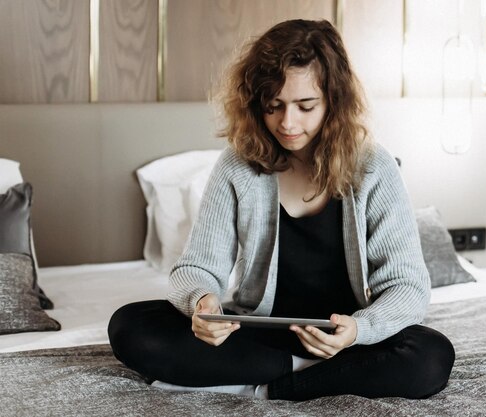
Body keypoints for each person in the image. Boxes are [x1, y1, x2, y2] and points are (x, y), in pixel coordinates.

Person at [108, 19, 454, 401]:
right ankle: (310, 377)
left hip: (347, 338)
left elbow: (407, 287)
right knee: (131, 325)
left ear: (333, 102)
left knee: (431, 355)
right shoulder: (237, 166)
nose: (287, 123)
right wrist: (202, 303)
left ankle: (264, 386)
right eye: (274, 106)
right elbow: (197, 268)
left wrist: (360, 329)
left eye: (305, 106)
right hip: (258, 334)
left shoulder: (374, 167)